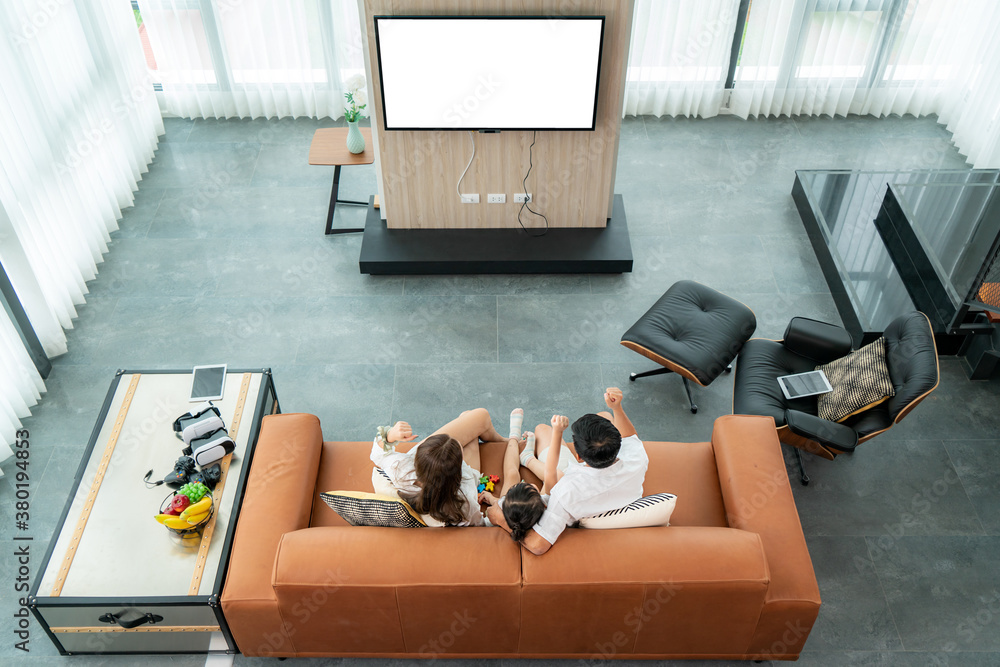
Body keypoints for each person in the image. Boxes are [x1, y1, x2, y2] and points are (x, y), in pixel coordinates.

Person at [486, 387, 648, 554]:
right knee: (606, 415)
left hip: (583, 487)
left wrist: (501, 520)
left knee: (542, 429)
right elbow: (630, 438)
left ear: (578, 456)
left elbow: (538, 546)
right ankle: (529, 458)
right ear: (617, 442)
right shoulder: (637, 457)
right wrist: (616, 408)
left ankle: (528, 459)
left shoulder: (566, 492)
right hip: (606, 487)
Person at [371, 407, 526, 527]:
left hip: (439, 470)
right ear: (460, 469)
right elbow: (481, 523)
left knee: (468, 416)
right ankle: (505, 441)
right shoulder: (466, 496)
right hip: (461, 480)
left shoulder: (401, 469)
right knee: (476, 417)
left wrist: (391, 435)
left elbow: (377, 454)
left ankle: (502, 440)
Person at [480, 413, 573, 543]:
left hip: (506, 507)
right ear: (544, 505)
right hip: (516, 508)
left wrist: (491, 499)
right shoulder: (547, 506)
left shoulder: (501, 508)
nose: (530, 483)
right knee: (556, 476)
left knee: (511, 473)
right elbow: (552, 472)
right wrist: (558, 432)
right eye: (531, 487)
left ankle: (514, 436)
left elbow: (489, 514)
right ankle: (527, 458)